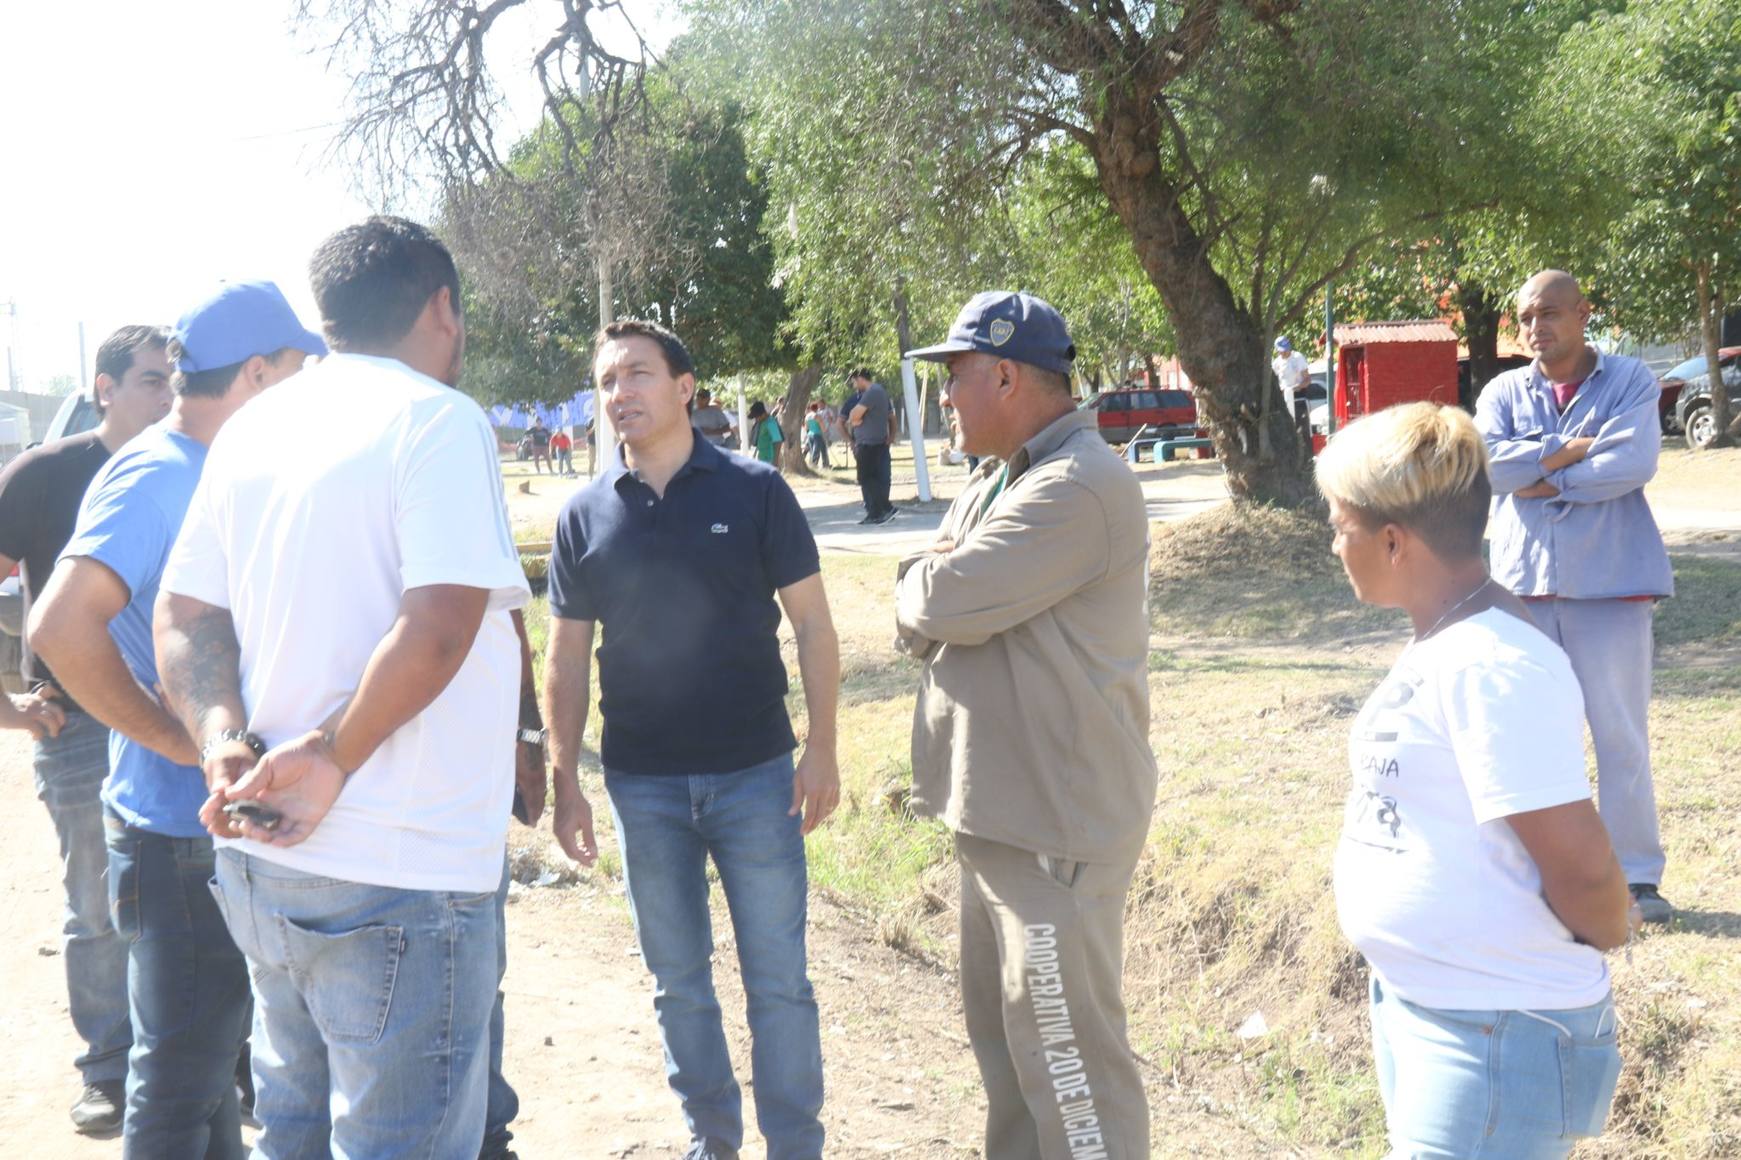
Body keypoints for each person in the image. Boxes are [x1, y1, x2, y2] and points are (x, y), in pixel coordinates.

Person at [154, 216, 532, 1159]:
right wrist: (333, 756)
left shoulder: (254, 428)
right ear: (442, 307)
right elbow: (440, 623)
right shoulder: (437, 418)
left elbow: (185, 615)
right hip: (399, 876)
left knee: (293, 1127)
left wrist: (221, 740)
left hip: (267, 864)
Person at [30, 282, 323, 1157]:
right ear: (259, 373)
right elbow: (57, 623)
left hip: (208, 822)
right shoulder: (161, 476)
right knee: (178, 1084)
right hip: (175, 830)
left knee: (206, 1085)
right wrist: (184, 744)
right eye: (297, 370)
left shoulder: (211, 462)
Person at [544, 318, 840, 1160]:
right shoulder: (584, 515)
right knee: (678, 986)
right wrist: (567, 779)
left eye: (636, 374)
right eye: (606, 381)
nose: (618, 394)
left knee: (778, 983)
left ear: (684, 388)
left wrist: (821, 747)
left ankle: (795, 1147)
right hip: (643, 783)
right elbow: (565, 655)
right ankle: (711, 1141)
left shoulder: (755, 492)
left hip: (756, 774)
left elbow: (814, 626)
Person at [1316, 401, 1636, 1157]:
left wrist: (1603, 935)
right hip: (1441, 1009)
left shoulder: (1492, 665)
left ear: (1393, 541)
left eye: (1339, 525)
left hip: (1497, 1030)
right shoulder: (1452, 640)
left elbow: (1582, 866)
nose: (1333, 545)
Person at [898, 291, 1156, 1159]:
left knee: (1072, 1071)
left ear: (1005, 375)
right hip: (1001, 816)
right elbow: (928, 603)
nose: (945, 399)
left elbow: (937, 594)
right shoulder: (994, 478)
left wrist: (929, 589)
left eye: (954, 378)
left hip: (1054, 823)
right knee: (1010, 1057)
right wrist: (929, 592)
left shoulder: (1080, 485)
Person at [0, 324, 171, 1134]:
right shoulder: (45, 475)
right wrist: (8, 707)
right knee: (100, 903)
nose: (167, 395)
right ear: (104, 387)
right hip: (76, 730)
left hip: (186, 725)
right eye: (148, 381)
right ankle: (109, 1065)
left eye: (174, 380)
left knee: (200, 891)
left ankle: (215, 1056)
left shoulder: (197, 470)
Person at [1474, 269, 1675, 923]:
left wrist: (1540, 477)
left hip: (1609, 587)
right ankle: (1539, 879)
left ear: (1584, 313)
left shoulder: (1628, 382)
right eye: (1527, 317)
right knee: (1529, 737)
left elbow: (1629, 464)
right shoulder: (1502, 390)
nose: (1537, 327)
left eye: (1551, 313)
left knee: (1618, 738)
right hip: (1522, 591)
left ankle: (1636, 880)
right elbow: (1488, 467)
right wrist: (1566, 452)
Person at [846, 369, 895, 524]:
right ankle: (877, 512)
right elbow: (853, 418)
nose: (854, 385)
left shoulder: (872, 392)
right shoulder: (877, 392)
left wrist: (854, 421)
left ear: (860, 378)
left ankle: (885, 508)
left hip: (870, 443)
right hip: (872, 442)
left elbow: (853, 416)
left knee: (865, 477)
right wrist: (854, 421)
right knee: (871, 478)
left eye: (854, 381)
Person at [1272, 336, 1309, 429]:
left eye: (1286, 349)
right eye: (1281, 350)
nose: (1284, 352)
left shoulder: (1297, 357)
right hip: (1284, 398)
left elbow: (1307, 380)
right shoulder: (1276, 363)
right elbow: (1275, 382)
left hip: (1298, 397)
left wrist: (1298, 387)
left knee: (1301, 426)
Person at [748, 398, 784, 465]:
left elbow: (778, 442)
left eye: (756, 417)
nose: (756, 419)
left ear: (763, 414)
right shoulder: (761, 423)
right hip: (761, 457)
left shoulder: (771, 423)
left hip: (769, 459)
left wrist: (775, 462)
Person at [803, 402, 831, 469]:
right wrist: (825, 432)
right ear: (817, 408)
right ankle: (817, 464)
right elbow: (822, 426)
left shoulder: (807, 416)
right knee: (819, 450)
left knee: (813, 449)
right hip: (818, 434)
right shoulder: (817, 416)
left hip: (810, 434)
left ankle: (823, 464)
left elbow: (806, 427)